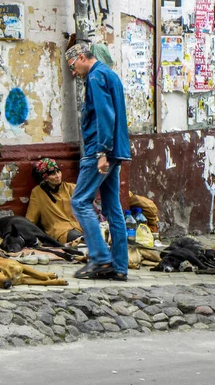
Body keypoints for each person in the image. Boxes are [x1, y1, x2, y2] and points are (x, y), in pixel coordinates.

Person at [65, 42, 131, 281]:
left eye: (73, 66)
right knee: (113, 209)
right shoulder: (110, 74)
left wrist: (101, 152)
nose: (73, 72)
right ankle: (120, 267)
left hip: (99, 150)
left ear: (82, 57)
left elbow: (105, 115)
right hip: (117, 150)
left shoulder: (95, 77)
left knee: (80, 201)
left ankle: (101, 260)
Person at [25, 158, 84, 245]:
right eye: (52, 174)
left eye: (58, 171)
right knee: (81, 239)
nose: (58, 175)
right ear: (44, 177)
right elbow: (30, 220)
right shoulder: (38, 193)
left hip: (81, 227)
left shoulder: (72, 188)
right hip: (61, 232)